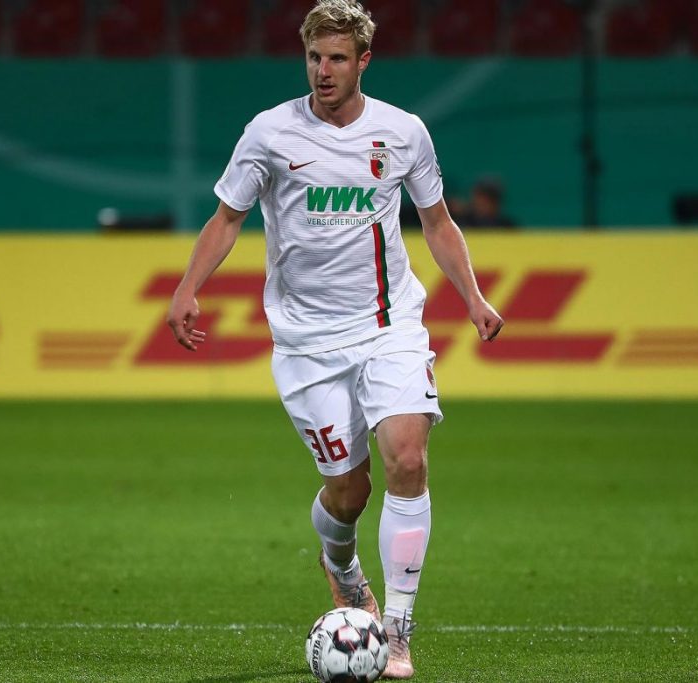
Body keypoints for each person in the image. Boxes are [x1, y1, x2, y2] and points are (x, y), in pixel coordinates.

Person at [166, 1, 503, 678]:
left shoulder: (403, 133)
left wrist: (472, 294)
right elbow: (227, 219)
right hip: (306, 344)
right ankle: (340, 560)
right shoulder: (269, 134)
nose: (324, 70)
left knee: (407, 457)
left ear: (363, 62)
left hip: (388, 326)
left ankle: (399, 629)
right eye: (316, 57)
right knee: (349, 492)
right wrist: (187, 286)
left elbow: (436, 222)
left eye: (338, 58)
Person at [453, 177, 518, 229]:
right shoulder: (463, 223)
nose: (482, 204)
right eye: (479, 197)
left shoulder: (507, 226)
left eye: (487, 200)